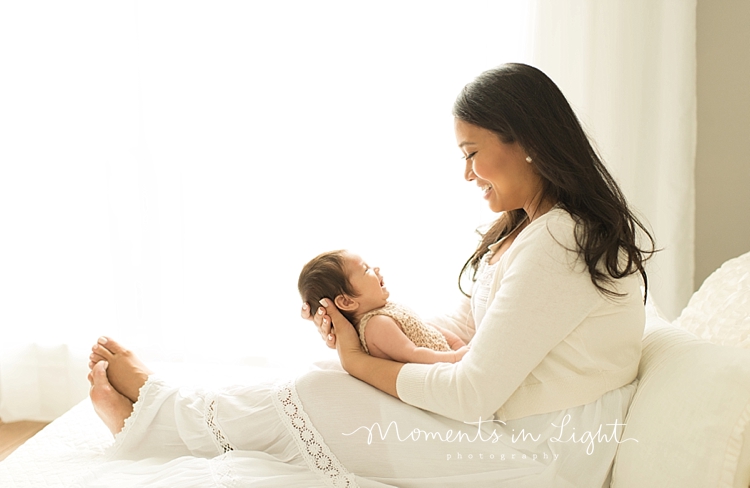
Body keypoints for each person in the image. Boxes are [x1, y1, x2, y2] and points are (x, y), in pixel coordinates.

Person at [87, 63, 655, 487]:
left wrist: (360, 360)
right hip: (519, 433)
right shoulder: (530, 229)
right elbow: (470, 320)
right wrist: (375, 330)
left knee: (323, 390)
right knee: (322, 380)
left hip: (542, 457)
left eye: (472, 151)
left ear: (527, 142)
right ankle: (162, 413)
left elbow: (472, 393)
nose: (466, 174)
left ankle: (157, 412)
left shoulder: (560, 238)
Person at [298, 249, 470, 363]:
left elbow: (428, 328)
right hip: (443, 370)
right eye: (366, 270)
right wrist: (455, 357)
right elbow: (413, 356)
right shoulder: (376, 325)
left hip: (450, 358)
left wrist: (458, 345)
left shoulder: (384, 310)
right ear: (347, 302)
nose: (376, 269)